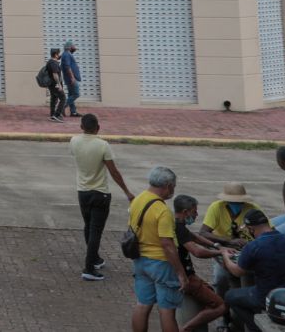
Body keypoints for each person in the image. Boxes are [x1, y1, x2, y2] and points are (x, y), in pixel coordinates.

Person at [219, 209, 285, 330]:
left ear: (251, 229)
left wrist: (225, 255)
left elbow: (238, 271)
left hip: (266, 296)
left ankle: (255, 327)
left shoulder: (253, 246)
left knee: (230, 296)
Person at [71, 113, 132, 281]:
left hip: (82, 192)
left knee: (88, 226)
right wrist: (127, 191)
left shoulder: (74, 141)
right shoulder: (103, 145)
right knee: (96, 231)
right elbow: (114, 172)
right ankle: (89, 268)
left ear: (81, 127)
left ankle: (95, 259)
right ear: (98, 128)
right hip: (100, 193)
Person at [130, 166, 189, 332]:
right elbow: (167, 244)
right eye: (174, 187)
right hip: (161, 263)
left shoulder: (138, 200)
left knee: (142, 304)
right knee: (167, 310)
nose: (173, 191)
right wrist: (180, 273)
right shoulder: (162, 211)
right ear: (168, 185)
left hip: (141, 260)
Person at [170, 195, 228, 332]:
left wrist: (216, 245)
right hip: (186, 277)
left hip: (181, 275)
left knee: (209, 290)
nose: (196, 214)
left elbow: (195, 237)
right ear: (185, 212)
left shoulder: (175, 224)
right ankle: (187, 328)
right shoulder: (179, 228)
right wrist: (221, 253)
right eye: (194, 211)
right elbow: (197, 252)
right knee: (221, 306)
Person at [198, 182, 265, 294]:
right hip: (224, 249)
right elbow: (203, 233)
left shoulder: (253, 209)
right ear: (226, 201)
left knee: (249, 278)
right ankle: (222, 304)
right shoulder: (216, 208)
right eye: (233, 202)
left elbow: (266, 229)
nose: (237, 204)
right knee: (221, 278)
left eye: (240, 202)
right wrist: (229, 241)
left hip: (248, 249)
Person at [61, 40, 83, 117]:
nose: (75, 48)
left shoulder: (66, 54)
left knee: (71, 94)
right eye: (73, 46)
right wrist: (72, 77)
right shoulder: (66, 54)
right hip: (71, 79)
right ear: (70, 47)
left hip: (70, 78)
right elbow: (67, 67)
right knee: (76, 94)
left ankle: (73, 112)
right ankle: (62, 107)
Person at [45, 47, 67, 122]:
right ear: (55, 54)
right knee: (63, 98)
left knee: (54, 99)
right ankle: (56, 115)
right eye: (58, 53)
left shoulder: (51, 61)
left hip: (51, 85)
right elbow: (55, 74)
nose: (59, 54)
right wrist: (59, 84)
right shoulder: (53, 63)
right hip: (55, 85)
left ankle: (52, 115)